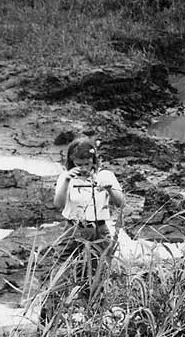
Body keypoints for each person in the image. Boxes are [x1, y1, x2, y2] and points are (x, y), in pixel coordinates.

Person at [48, 135, 128, 315]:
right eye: (79, 164)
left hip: (99, 230)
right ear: (72, 162)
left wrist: (109, 189)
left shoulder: (105, 175)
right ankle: (50, 318)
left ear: (94, 160)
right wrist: (68, 181)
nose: (84, 168)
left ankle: (93, 317)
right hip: (73, 228)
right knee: (60, 273)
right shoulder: (66, 177)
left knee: (96, 277)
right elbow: (58, 204)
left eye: (87, 163)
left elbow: (121, 203)